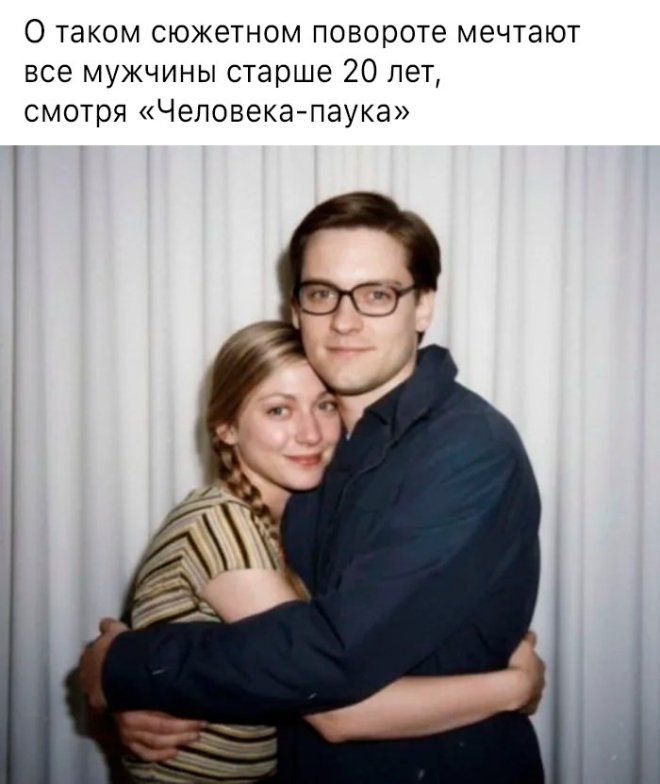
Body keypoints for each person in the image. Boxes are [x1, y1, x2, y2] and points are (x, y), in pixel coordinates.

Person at [82, 192, 545, 783]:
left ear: (423, 306)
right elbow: (253, 640)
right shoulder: (316, 458)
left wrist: (125, 668)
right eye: (322, 294)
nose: (344, 321)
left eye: (376, 294)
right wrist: (146, 702)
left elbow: (328, 660)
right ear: (296, 309)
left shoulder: (466, 450)